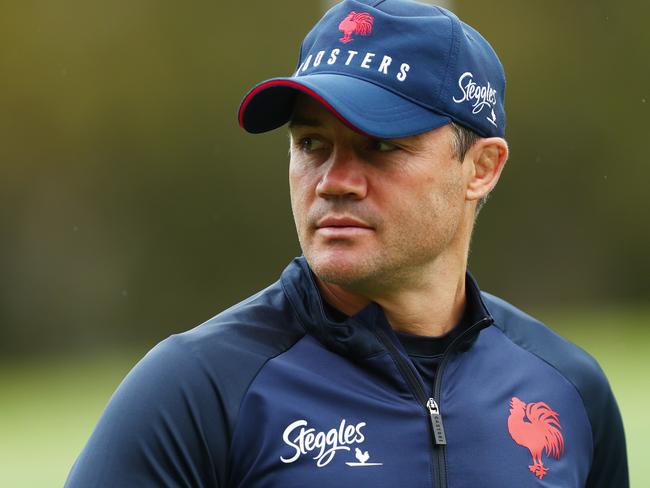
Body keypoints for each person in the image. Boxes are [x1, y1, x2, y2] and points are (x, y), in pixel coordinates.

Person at [66, 1, 628, 487]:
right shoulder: (197, 393)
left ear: (481, 167)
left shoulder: (568, 390)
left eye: (380, 145)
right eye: (311, 143)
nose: (334, 180)